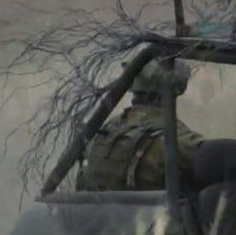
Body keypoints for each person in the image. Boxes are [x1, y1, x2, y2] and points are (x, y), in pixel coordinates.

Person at [77, 60, 204, 192]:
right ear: (175, 92)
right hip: (152, 212)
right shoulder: (178, 139)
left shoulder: (108, 128)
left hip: (95, 211)